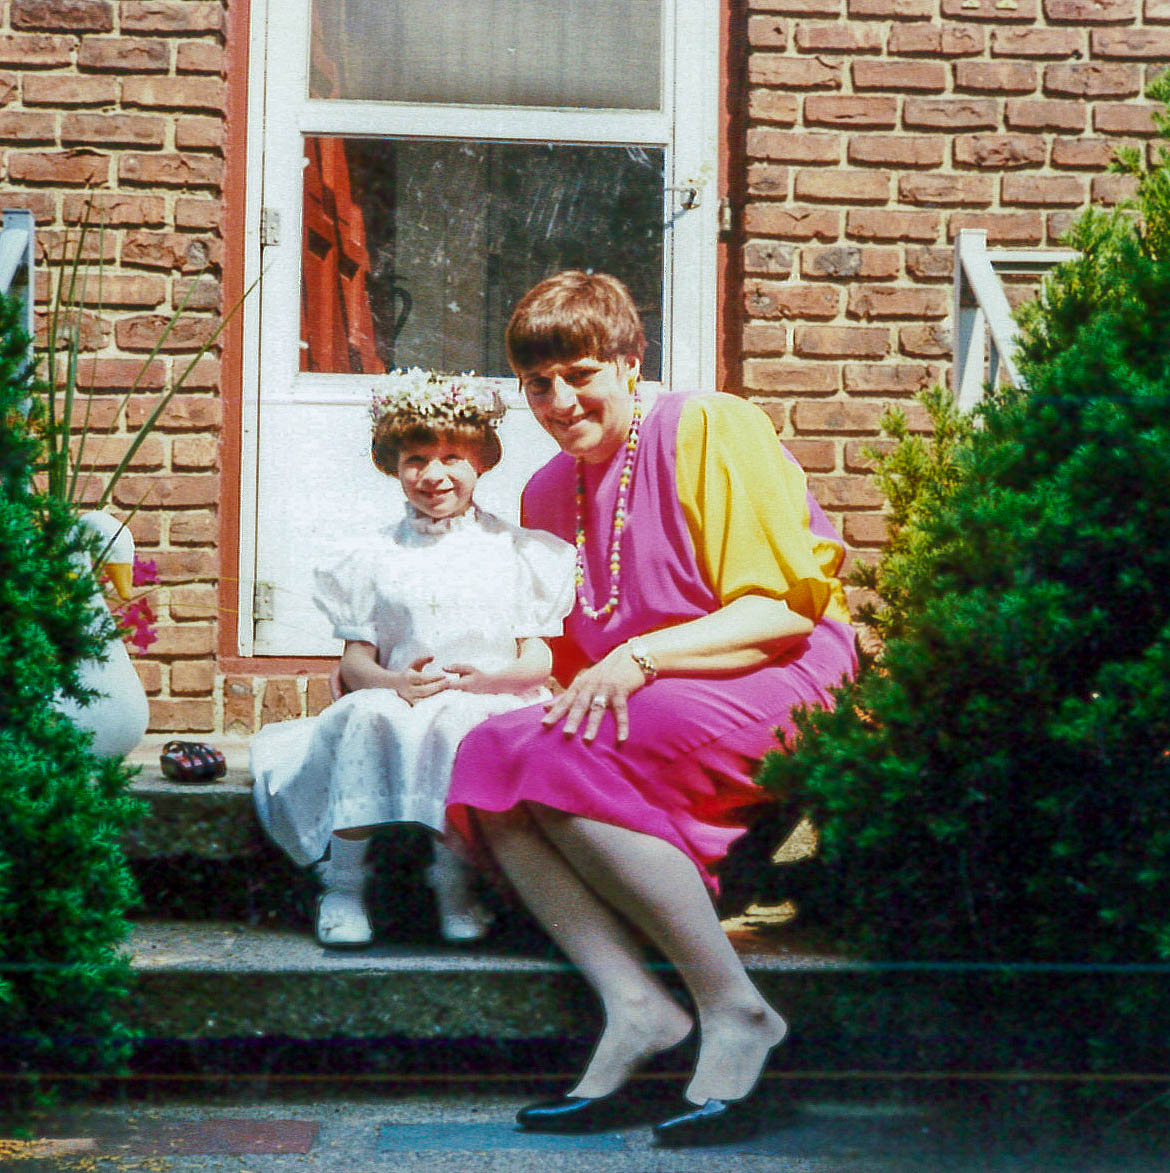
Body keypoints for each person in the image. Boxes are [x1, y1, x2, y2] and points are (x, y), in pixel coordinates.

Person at [444, 272, 857, 1146]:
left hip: (780, 668)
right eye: (538, 383)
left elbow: (782, 608)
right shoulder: (547, 493)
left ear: (633, 362)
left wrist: (640, 657)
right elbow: (567, 656)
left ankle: (736, 1009)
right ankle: (635, 1004)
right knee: (490, 752)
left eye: (583, 372)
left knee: (559, 753)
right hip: (657, 689)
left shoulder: (705, 425)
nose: (561, 400)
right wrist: (464, 677)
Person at [251, 371, 574, 948]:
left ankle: (453, 882)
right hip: (400, 696)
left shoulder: (516, 551)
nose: (434, 474)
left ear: (481, 463)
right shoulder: (371, 554)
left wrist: (489, 679)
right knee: (368, 714)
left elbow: (537, 660)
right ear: (393, 466)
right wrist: (394, 680)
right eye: (417, 459)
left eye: (452, 457)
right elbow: (356, 663)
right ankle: (345, 885)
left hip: (488, 696)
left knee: (459, 723)